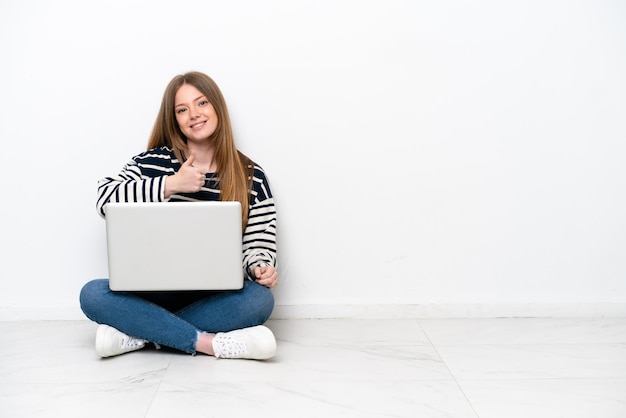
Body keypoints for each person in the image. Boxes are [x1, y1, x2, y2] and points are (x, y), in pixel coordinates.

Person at [80, 71, 278, 360]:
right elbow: (104, 199)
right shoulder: (152, 162)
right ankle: (209, 343)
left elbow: (259, 244)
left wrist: (261, 266)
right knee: (92, 294)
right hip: (150, 293)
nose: (193, 115)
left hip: (213, 296)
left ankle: (140, 332)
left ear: (217, 108)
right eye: (182, 109)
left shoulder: (251, 176)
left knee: (259, 301)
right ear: (174, 119)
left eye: (201, 104)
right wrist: (170, 185)